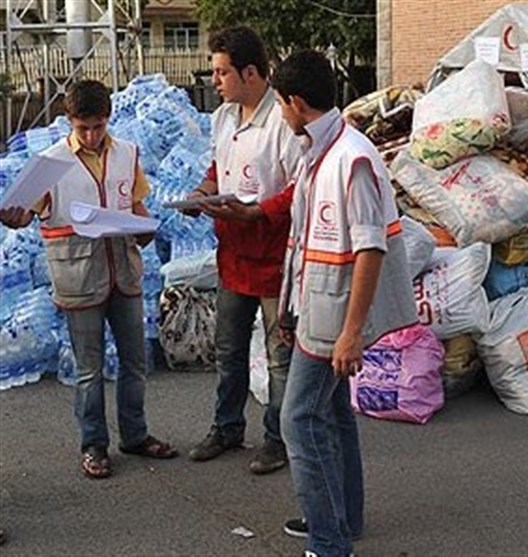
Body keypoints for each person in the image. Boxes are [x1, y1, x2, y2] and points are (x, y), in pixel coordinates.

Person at [272, 50, 418, 557]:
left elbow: (370, 247)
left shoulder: (350, 158)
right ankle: (339, 519)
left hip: (334, 318)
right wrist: (288, 309)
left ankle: (328, 541)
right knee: (332, 416)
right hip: (314, 309)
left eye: (280, 105)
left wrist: (353, 332)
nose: (281, 115)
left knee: (298, 420)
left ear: (295, 102)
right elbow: (306, 241)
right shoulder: (320, 152)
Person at [0, 80, 177, 479]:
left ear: (108, 119)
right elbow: (29, 212)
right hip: (78, 274)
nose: (92, 136)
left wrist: (145, 227)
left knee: (134, 362)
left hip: (124, 272)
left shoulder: (126, 154)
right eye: (83, 128)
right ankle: (94, 444)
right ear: (69, 122)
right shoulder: (51, 161)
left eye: (98, 126)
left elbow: (136, 204)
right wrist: (14, 215)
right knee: (89, 368)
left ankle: (135, 434)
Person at [182, 26, 303, 475]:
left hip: (272, 258)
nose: (214, 80)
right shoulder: (224, 117)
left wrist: (258, 213)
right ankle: (227, 427)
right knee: (228, 351)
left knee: (279, 358)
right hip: (232, 255)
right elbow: (219, 166)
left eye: (221, 72)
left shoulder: (283, 121)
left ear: (249, 72)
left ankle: (279, 438)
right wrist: (202, 193)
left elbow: (299, 189)